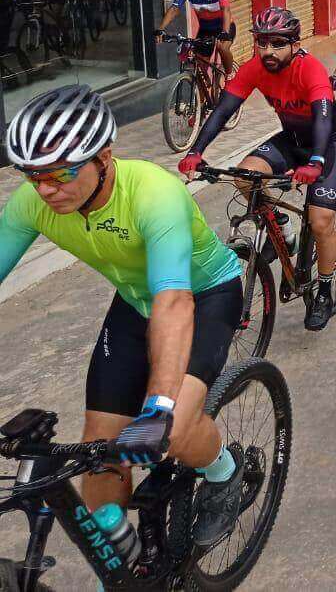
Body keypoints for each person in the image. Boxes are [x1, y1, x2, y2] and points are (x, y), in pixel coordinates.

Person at [0, 86, 249, 547]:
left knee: (171, 431)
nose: (46, 190)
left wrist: (159, 406)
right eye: (33, 176)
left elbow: (174, 302)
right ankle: (116, 557)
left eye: (59, 173)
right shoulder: (33, 203)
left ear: (104, 157)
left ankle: (224, 472)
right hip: (135, 302)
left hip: (205, 294)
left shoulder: (153, 192)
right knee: (100, 445)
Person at [179, 7, 336, 331]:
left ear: (295, 44)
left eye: (277, 44)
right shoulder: (257, 68)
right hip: (291, 139)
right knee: (246, 176)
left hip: (328, 145)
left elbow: (325, 120)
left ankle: (324, 290)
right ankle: (283, 228)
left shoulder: (310, 69)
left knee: (321, 218)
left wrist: (315, 163)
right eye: (262, 43)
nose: (268, 51)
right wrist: (196, 152)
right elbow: (223, 110)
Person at [155, 0, 236, 83]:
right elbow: (174, 8)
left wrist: (225, 32)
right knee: (199, 66)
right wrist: (160, 29)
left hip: (224, 26)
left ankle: (230, 74)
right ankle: (203, 99)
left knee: (222, 47)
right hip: (206, 29)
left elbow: (225, 9)